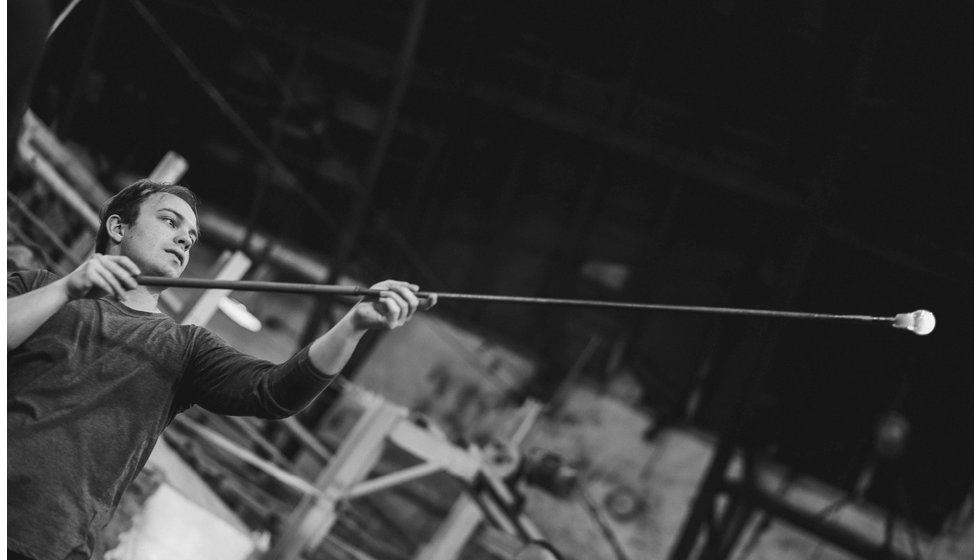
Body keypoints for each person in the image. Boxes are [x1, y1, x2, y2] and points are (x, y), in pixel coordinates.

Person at [7, 179, 435, 560]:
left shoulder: (185, 349)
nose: (183, 241)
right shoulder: (38, 289)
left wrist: (353, 324)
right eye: (170, 222)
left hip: (50, 542)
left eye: (191, 238)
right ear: (118, 229)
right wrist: (67, 288)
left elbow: (275, 393)